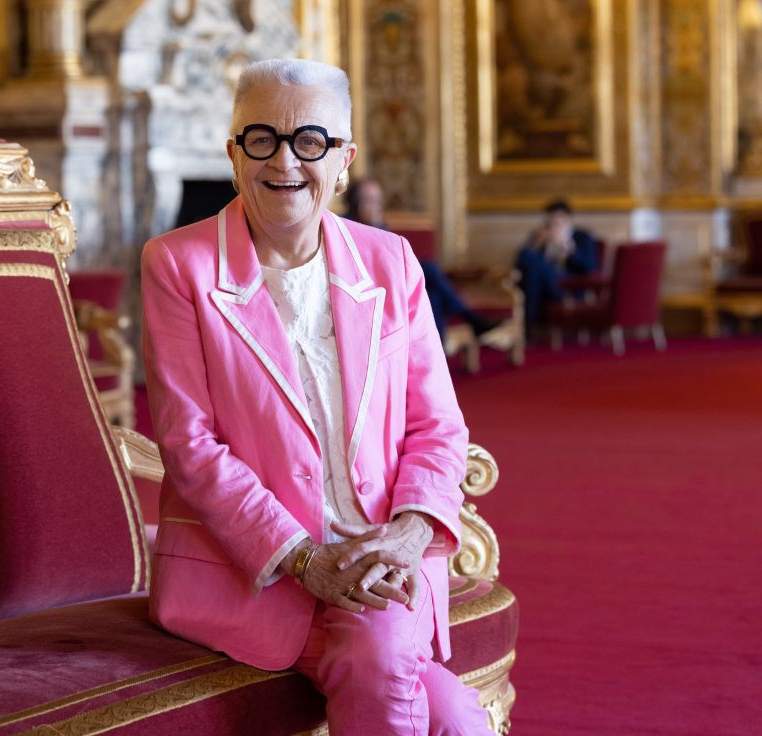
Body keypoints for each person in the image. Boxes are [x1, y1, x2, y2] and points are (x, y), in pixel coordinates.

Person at [140, 58, 495, 735]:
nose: (284, 162)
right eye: (261, 139)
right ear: (232, 152)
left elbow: (437, 426)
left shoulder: (390, 262)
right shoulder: (177, 263)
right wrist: (304, 558)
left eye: (310, 141)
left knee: (385, 654)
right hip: (253, 568)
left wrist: (408, 533)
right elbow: (189, 443)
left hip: (380, 559)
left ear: (344, 159)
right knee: (434, 702)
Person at [343, 177, 513, 350]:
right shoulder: (343, 226)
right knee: (429, 269)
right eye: (371, 201)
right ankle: (469, 320)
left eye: (379, 201)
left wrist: (375, 225)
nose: (377, 207)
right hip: (369, 287)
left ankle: (435, 353)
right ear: (356, 203)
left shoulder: (379, 224)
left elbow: (391, 256)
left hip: (394, 281)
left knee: (433, 297)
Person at [515, 197, 600, 328]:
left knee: (535, 268)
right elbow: (519, 264)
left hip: (568, 286)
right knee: (533, 266)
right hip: (540, 284)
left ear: (568, 220)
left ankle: (528, 325)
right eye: (550, 222)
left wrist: (570, 252)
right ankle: (530, 324)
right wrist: (537, 244)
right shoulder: (538, 236)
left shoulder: (582, 237)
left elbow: (591, 267)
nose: (553, 226)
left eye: (557, 222)